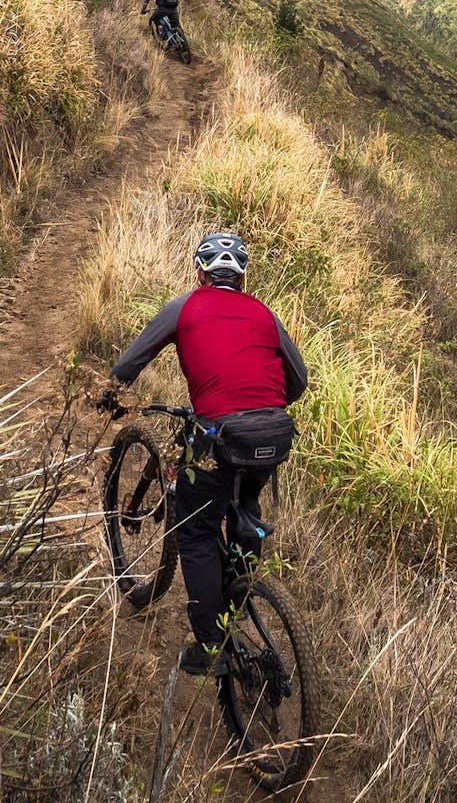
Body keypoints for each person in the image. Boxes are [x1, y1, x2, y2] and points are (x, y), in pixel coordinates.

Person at [98, 232, 308, 674]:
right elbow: (299, 380)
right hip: (271, 433)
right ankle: (242, 588)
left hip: (221, 433)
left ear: (200, 273)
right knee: (244, 505)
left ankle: (212, 645)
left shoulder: (184, 307)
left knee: (194, 532)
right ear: (242, 278)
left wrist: (108, 397)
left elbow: (130, 363)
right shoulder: (264, 315)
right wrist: (260, 405)